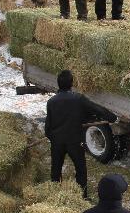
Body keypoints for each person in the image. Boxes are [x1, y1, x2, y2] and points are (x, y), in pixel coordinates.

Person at [44, 70, 118, 198]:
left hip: (57, 142)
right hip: (74, 141)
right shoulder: (78, 99)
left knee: (56, 169)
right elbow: (96, 109)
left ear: (58, 84)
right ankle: (82, 196)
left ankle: (54, 194)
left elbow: (48, 126)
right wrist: (112, 117)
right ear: (71, 83)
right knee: (81, 169)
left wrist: (53, 138)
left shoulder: (51, 102)